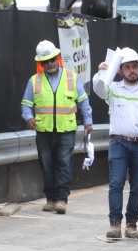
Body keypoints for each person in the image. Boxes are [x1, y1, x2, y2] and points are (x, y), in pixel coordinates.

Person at [93, 47, 138, 240]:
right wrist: (102, 71)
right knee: (116, 183)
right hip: (119, 142)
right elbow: (98, 89)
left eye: (134, 66)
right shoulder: (114, 89)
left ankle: (131, 225)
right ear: (120, 70)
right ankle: (115, 225)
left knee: (137, 187)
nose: (132, 70)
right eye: (127, 67)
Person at [20, 40, 93, 215]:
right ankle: (50, 199)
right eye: (45, 62)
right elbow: (25, 105)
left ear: (57, 58)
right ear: (41, 63)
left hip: (66, 129)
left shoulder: (72, 77)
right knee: (46, 165)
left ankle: (61, 199)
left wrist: (88, 121)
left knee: (64, 163)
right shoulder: (34, 81)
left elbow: (83, 102)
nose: (49, 64)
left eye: (52, 60)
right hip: (44, 131)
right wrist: (28, 117)